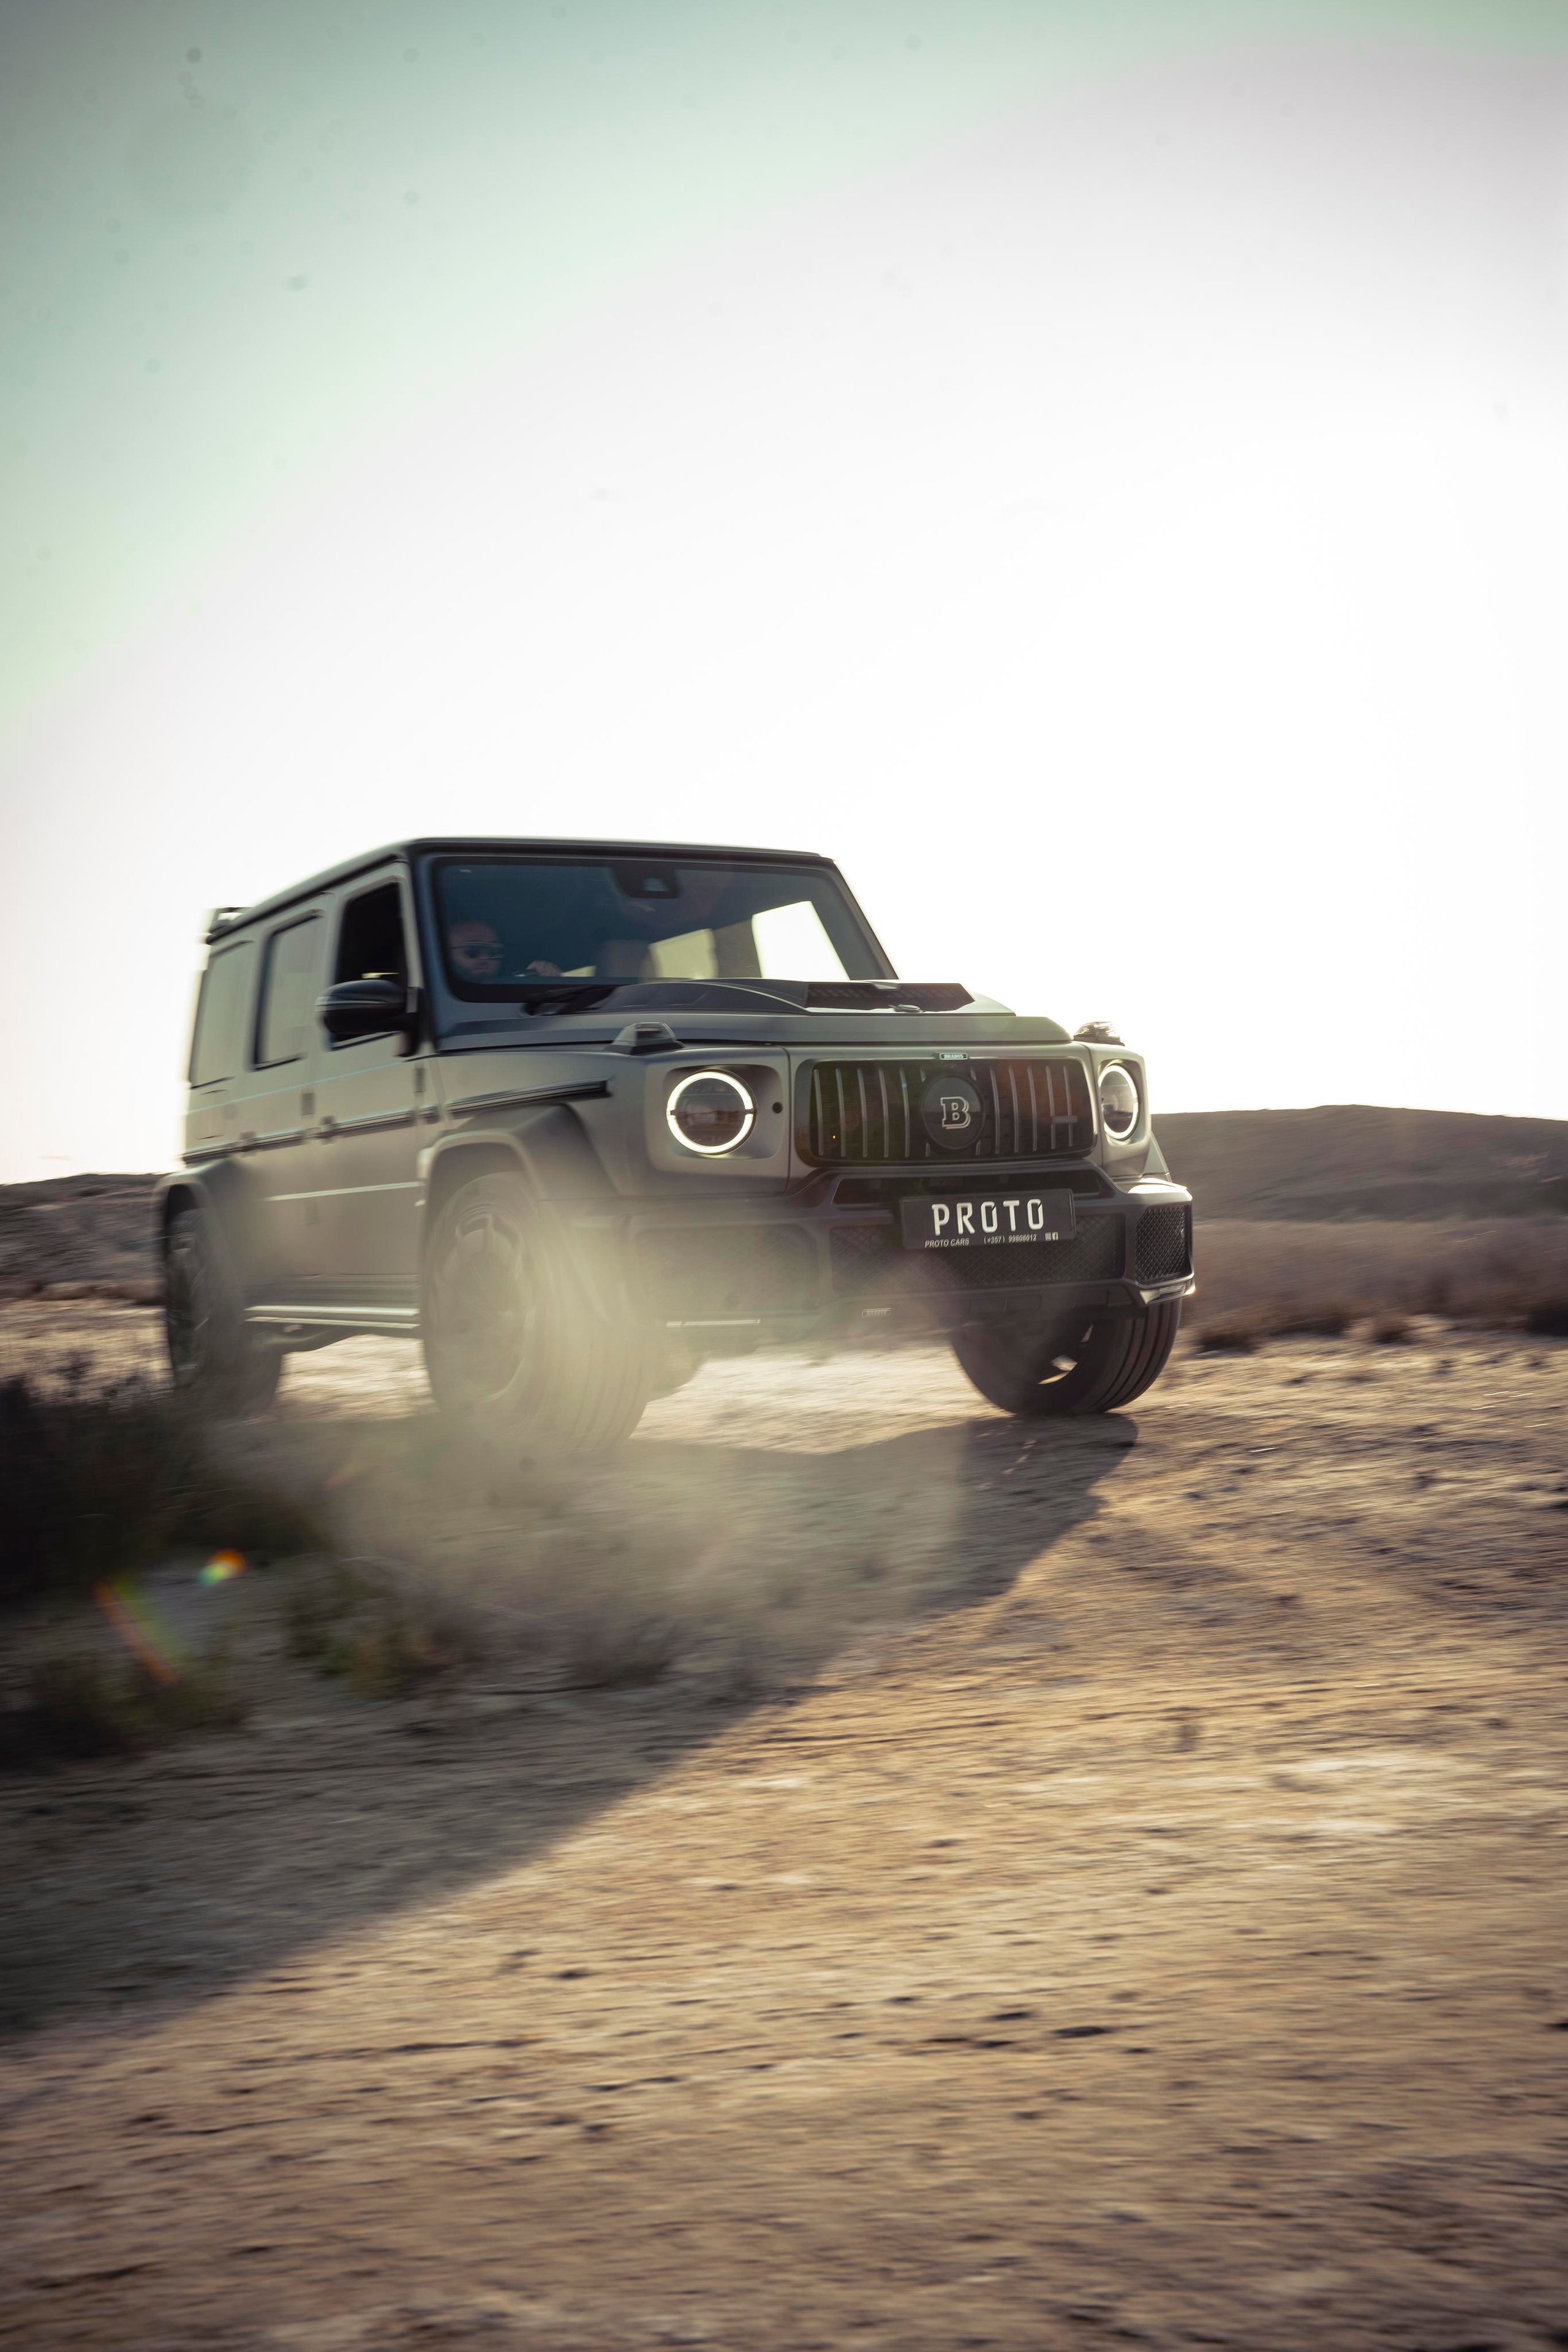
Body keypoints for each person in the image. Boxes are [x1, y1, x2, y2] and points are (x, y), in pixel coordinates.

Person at [447, 918, 561, 982]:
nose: (485, 958)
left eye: (494, 952)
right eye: (472, 952)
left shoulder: (507, 992)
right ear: (446, 955)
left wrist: (540, 976)